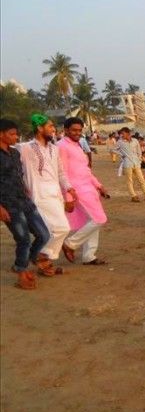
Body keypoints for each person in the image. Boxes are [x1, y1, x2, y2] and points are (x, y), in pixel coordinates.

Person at [19, 114, 77, 276]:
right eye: (50, 126)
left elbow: (60, 173)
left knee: (56, 229)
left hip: (55, 194)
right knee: (61, 228)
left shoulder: (54, 149)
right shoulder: (25, 148)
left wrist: (69, 188)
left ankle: (44, 260)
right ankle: (42, 257)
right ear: (39, 128)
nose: (53, 129)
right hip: (39, 195)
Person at [0, 118, 50, 289]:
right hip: (8, 205)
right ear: (1, 134)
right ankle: (21, 271)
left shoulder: (15, 153)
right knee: (23, 239)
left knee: (44, 234)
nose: (15, 137)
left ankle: (28, 259)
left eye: (16, 134)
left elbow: (18, 174)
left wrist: (26, 189)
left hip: (24, 200)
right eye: (11, 134)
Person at [57, 117, 109, 265]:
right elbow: (62, 173)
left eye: (79, 130)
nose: (77, 133)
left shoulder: (78, 145)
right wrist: (67, 197)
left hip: (89, 188)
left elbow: (85, 170)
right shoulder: (61, 146)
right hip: (76, 190)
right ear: (66, 130)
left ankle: (89, 255)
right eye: (74, 130)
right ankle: (70, 244)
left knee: (91, 221)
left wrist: (99, 185)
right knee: (99, 219)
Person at [116, 127, 145, 203]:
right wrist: (122, 155)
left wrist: (139, 160)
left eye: (123, 133)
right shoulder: (120, 142)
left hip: (136, 163)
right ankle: (133, 196)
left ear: (128, 133)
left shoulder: (135, 141)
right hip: (127, 164)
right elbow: (112, 149)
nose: (122, 135)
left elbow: (139, 151)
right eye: (121, 134)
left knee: (141, 180)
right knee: (130, 181)